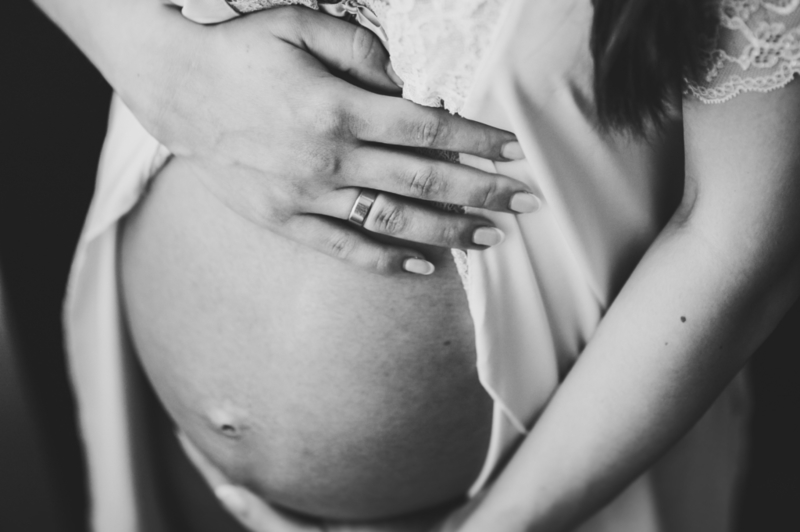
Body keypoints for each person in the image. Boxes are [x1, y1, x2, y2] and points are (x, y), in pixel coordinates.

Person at [33, 0, 800, 531]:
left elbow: (741, 238)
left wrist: (502, 525)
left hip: (535, 489)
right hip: (166, 448)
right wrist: (153, 61)